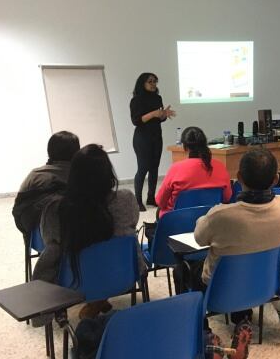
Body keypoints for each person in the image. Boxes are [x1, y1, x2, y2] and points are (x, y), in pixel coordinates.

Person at [192, 148, 280, 355]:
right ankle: (242, 321)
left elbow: (199, 238)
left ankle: (204, 334)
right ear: (275, 179)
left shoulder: (221, 215)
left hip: (220, 289)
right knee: (246, 258)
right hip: (264, 284)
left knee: (185, 269)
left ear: (238, 178)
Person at [32, 145, 142, 320]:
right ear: (109, 173)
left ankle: (96, 301)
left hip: (72, 285)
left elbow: (48, 241)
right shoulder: (126, 199)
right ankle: (99, 300)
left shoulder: (55, 210)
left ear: (73, 175)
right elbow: (132, 224)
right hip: (122, 276)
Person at [12, 131, 80, 238]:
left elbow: (18, 211)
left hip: (33, 235)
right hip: (63, 238)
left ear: (49, 151)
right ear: (76, 152)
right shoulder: (77, 174)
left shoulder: (34, 174)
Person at [156, 127, 232, 218]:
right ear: (205, 144)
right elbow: (227, 197)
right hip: (211, 219)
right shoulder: (220, 166)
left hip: (178, 221)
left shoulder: (176, 169)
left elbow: (160, 201)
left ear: (185, 147)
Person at [130, 72, 176, 211]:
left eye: (155, 81)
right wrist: (153, 114)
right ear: (142, 83)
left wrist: (163, 115)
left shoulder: (157, 98)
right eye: (150, 81)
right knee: (143, 168)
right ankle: (138, 200)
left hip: (156, 136)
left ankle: (151, 197)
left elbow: (159, 118)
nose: (153, 84)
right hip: (142, 138)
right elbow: (136, 121)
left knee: (154, 169)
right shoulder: (136, 100)